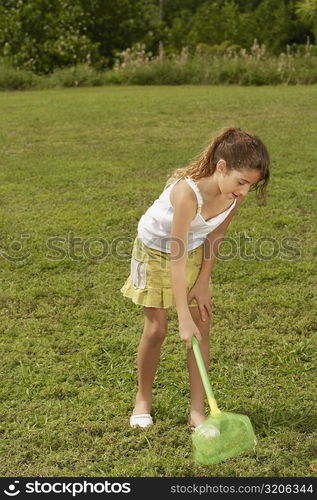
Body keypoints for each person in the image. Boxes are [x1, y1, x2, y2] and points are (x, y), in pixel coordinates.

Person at [120, 126, 270, 430]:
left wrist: (203, 282)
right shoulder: (188, 193)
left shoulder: (234, 194)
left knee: (201, 326)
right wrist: (182, 316)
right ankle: (143, 399)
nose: (243, 191)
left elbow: (215, 234)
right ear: (221, 167)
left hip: (192, 249)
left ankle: (197, 411)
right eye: (241, 182)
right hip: (156, 251)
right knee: (158, 329)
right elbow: (174, 258)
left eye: (249, 186)